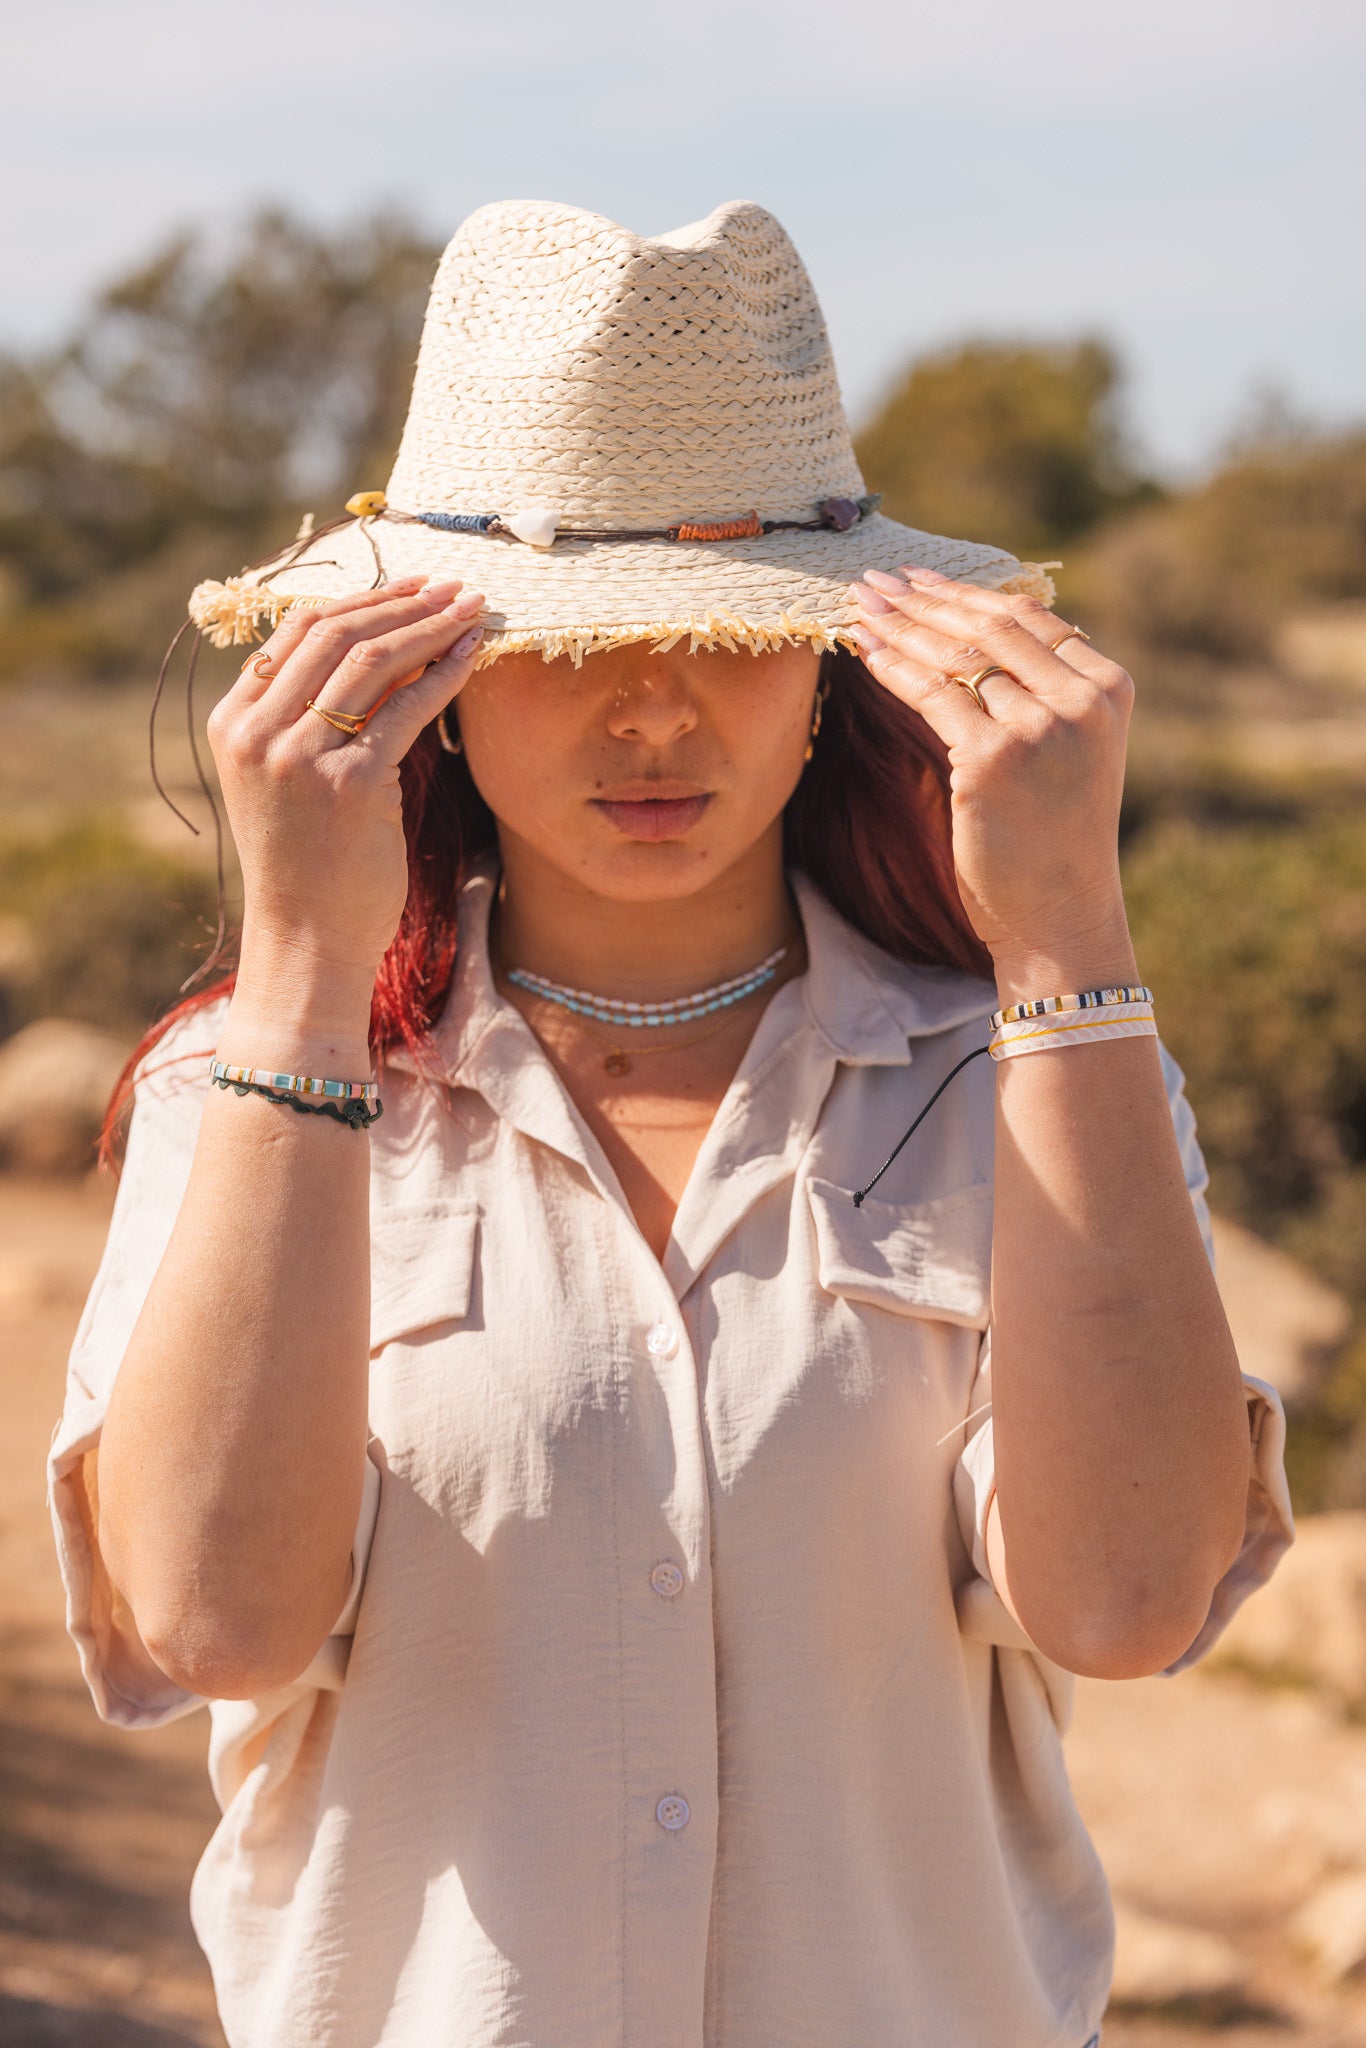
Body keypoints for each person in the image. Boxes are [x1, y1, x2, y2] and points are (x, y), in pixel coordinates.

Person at [49, 200, 1292, 2048]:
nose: (653, 707)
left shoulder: (1027, 1067)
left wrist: (1073, 946)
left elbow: (1120, 1604)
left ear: (833, 669)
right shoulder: (248, 1087)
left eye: (730, 629)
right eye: (564, 640)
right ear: (435, 681)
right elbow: (210, 1623)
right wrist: (309, 973)